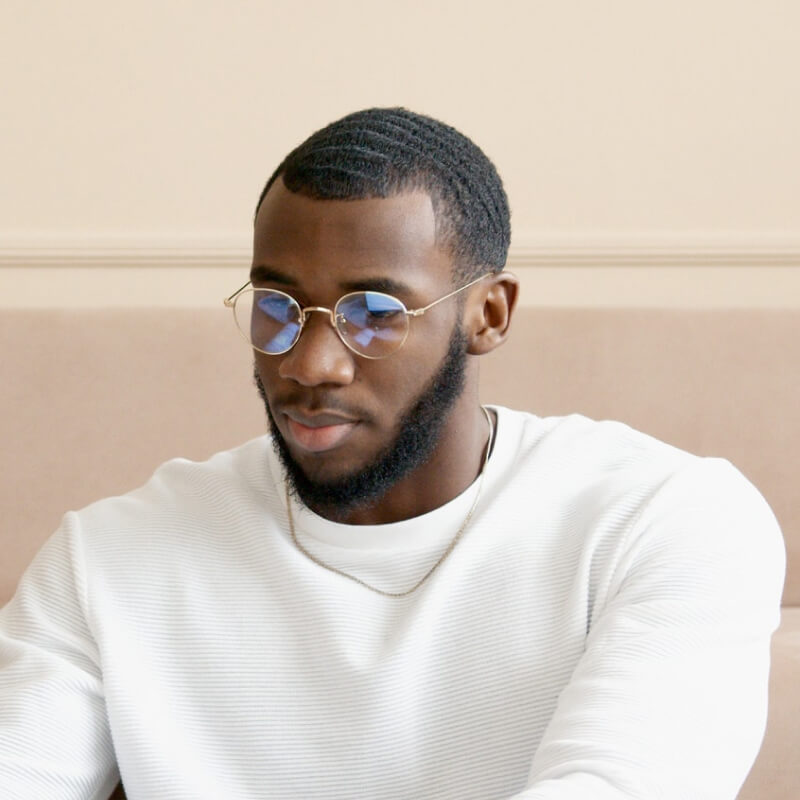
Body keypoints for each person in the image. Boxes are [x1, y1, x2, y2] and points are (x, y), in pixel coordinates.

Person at [0, 108, 785, 800]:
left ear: (489, 314)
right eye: (277, 307)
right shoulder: (108, 557)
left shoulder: (664, 520)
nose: (310, 363)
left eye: (373, 314)